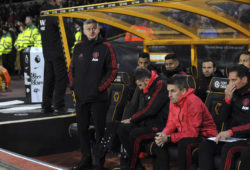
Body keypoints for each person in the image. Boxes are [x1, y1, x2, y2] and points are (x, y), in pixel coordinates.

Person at [69, 19, 117, 170]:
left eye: (94, 28)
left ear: (98, 30)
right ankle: (86, 160)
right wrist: (74, 86)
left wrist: (100, 88)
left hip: (98, 98)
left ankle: (100, 162)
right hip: (81, 97)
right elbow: (71, 69)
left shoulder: (106, 47)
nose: (91, 31)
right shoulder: (78, 47)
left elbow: (113, 70)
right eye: (88, 29)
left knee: (99, 130)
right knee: (82, 129)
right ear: (83, 31)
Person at [154, 76, 218, 170]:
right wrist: (164, 135)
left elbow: (193, 133)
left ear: (183, 91)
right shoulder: (173, 101)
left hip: (205, 136)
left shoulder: (193, 102)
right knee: (159, 142)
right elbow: (171, 123)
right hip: (186, 134)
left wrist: (169, 137)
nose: (169, 95)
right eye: (168, 91)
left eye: (173, 91)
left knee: (184, 143)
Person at [116, 68, 169, 170]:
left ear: (146, 80)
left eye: (140, 85)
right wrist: (131, 120)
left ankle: (132, 166)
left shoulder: (160, 84)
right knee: (121, 128)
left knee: (134, 134)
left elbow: (151, 109)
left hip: (160, 125)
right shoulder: (147, 87)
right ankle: (137, 165)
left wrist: (132, 119)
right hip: (147, 123)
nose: (140, 89)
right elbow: (144, 109)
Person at [199, 64, 250, 170]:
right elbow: (221, 119)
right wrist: (227, 100)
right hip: (232, 137)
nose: (230, 84)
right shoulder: (232, 93)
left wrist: (231, 132)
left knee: (229, 149)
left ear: (244, 79)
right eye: (229, 80)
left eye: (233, 80)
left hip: (246, 138)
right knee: (205, 145)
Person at [39, 0, 68, 114]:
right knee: (61, 78)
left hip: (47, 51)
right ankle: (59, 105)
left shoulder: (42, 14)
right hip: (57, 51)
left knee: (49, 78)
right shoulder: (53, 13)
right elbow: (63, 29)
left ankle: (46, 104)